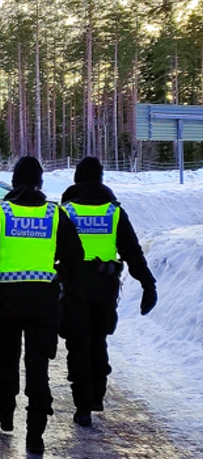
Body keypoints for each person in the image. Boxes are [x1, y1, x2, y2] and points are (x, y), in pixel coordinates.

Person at [0, 157, 83, 455]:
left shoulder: (0, 212)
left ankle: (6, 412)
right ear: (40, 182)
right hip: (44, 302)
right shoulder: (54, 214)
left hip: (6, 300)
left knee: (7, 358)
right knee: (38, 367)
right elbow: (76, 257)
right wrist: (60, 278)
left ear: (14, 181)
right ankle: (35, 435)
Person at [60, 156, 157, 427]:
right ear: (100, 179)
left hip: (74, 285)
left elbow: (53, 249)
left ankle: (82, 406)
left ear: (77, 179)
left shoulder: (66, 210)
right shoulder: (113, 211)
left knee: (78, 342)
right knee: (98, 339)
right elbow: (132, 251)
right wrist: (148, 283)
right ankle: (96, 395)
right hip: (105, 285)